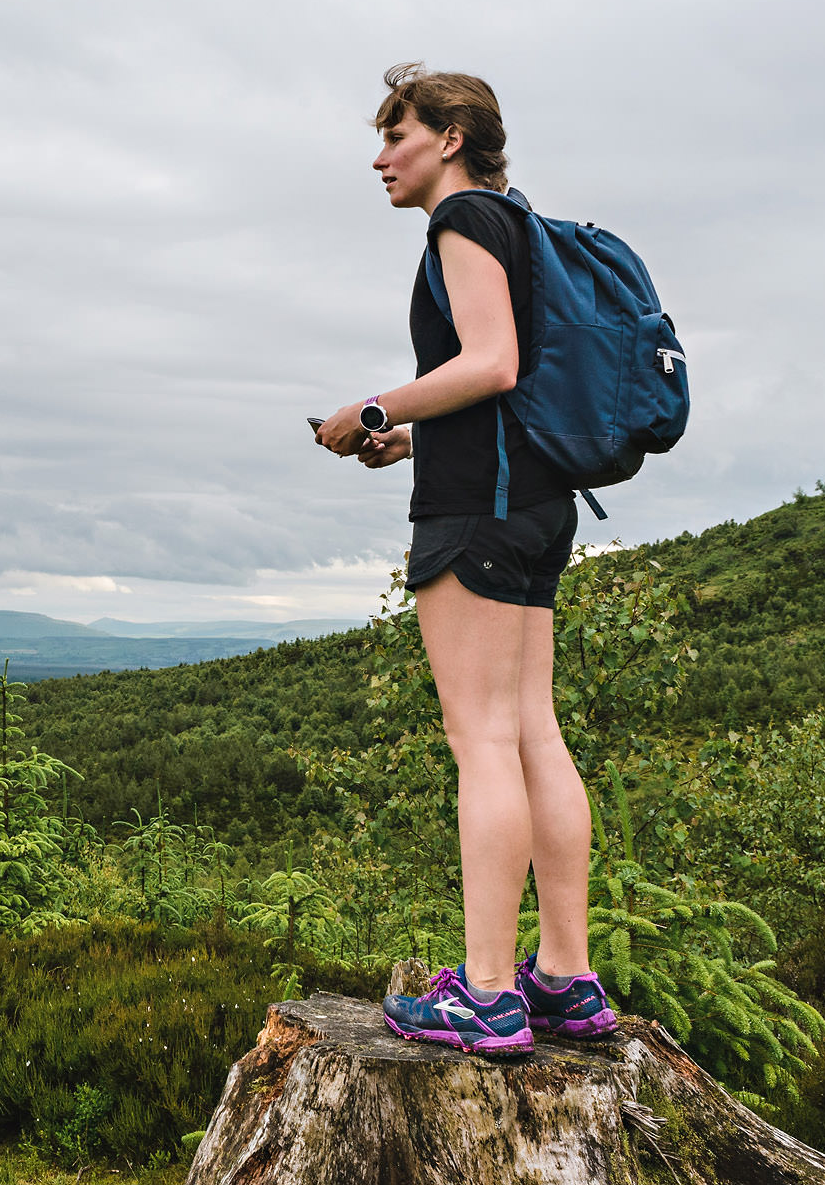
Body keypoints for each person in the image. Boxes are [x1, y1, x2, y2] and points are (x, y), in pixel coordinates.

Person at [314, 62, 617, 1056]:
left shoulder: (460, 223)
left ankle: (485, 992)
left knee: (481, 741)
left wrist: (369, 410)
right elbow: (501, 393)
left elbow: (491, 363)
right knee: (532, 732)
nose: (378, 156)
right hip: (533, 505)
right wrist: (410, 438)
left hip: (476, 518)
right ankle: (563, 981)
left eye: (393, 134)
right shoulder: (516, 223)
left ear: (446, 134)